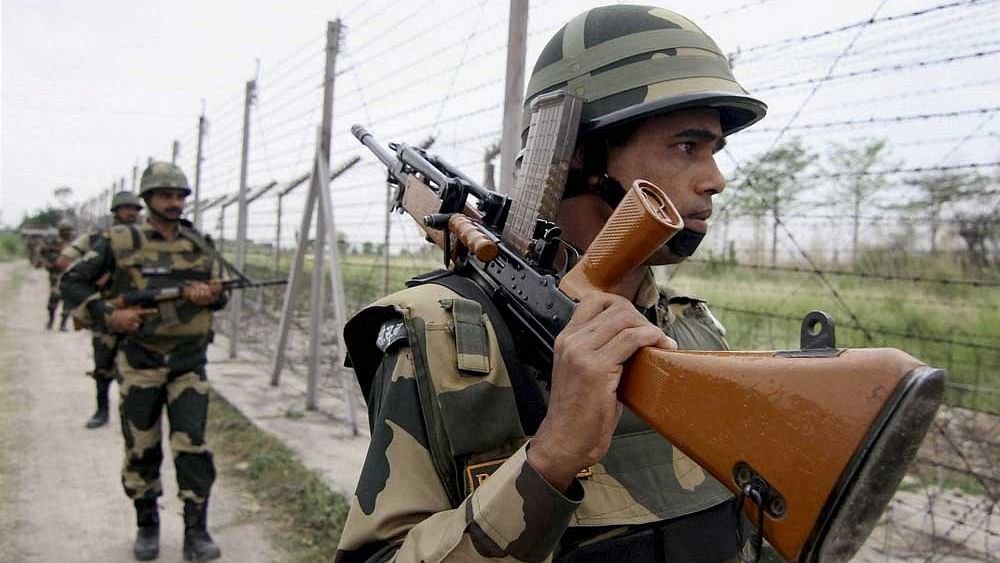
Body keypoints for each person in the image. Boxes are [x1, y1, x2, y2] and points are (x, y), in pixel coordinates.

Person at [335, 5, 773, 563]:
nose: (716, 179)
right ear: (582, 157)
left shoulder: (695, 331)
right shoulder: (443, 338)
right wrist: (550, 459)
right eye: (687, 146)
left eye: (714, 151)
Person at [61, 162, 228, 561]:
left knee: (193, 447)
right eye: (166, 195)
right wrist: (108, 315)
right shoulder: (119, 241)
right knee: (142, 447)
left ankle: (196, 530)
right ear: (148, 199)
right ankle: (147, 524)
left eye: (180, 196)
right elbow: (72, 282)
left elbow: (221, 292)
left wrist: (211, 296)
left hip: (189, 363)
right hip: (141, 361)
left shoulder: (199, 243)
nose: (174, 203)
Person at [58, 191, 143, 429]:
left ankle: (134, 416)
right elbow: (65, 263)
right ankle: (102, 409)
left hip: (137, 310)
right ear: (115, 212)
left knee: (140, 368)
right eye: (126, 208)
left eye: (135, 209)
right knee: (103, 365)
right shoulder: (98, 237)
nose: (131, 213)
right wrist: (96, 278)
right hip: (106, 310)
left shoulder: (144, 237)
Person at [42, 219, 76, 330]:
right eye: (64, 230)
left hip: (70, 275)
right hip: (55, 274)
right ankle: (51, 321)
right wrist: (47, 263)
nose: (67, 232)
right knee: (54, 298)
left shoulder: (75, 243)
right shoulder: (53, 241)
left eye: (69, 230)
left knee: (68, 299)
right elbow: (43, 252)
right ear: (60, 231)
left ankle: (63, 325)